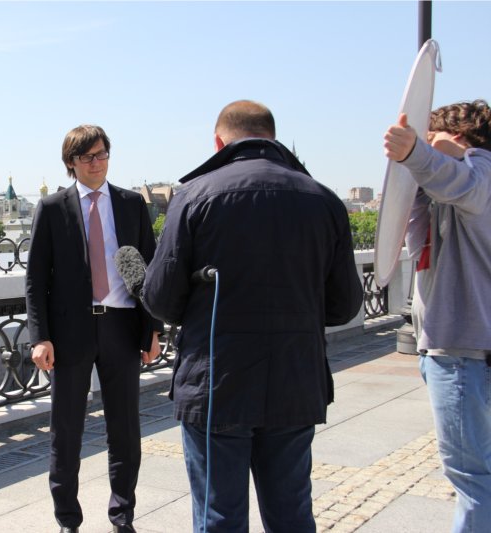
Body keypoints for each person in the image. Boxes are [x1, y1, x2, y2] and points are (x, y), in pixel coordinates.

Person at [142, 100, 363, 532]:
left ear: (219, 141)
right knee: (292, 516)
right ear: (272, 138)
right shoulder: (324, 199)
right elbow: (344, 305)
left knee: (220, 518)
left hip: (216, 383)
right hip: (295, 381)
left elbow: (162, 300)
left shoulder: (194, 196)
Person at [25, 125, 163, 533]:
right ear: (71, 163)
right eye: (87, 156)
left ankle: (122, 517)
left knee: (126, 431)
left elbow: (147, 271)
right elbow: (36, 279)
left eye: (102, 154)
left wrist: (152, 330)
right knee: (66, 432)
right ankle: (68, 520)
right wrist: (40, 337)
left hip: (122, 327)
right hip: (70, 333)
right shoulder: (52, 208)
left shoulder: (131, 204)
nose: (96, 162)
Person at [384, 100, 491, 533]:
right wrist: (417, 168)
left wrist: (422, 153)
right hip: (458, 350)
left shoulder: (480, 174)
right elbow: (412, 238)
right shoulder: (455, 189)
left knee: (473, 479)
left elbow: (469, 186)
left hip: (463, 351)